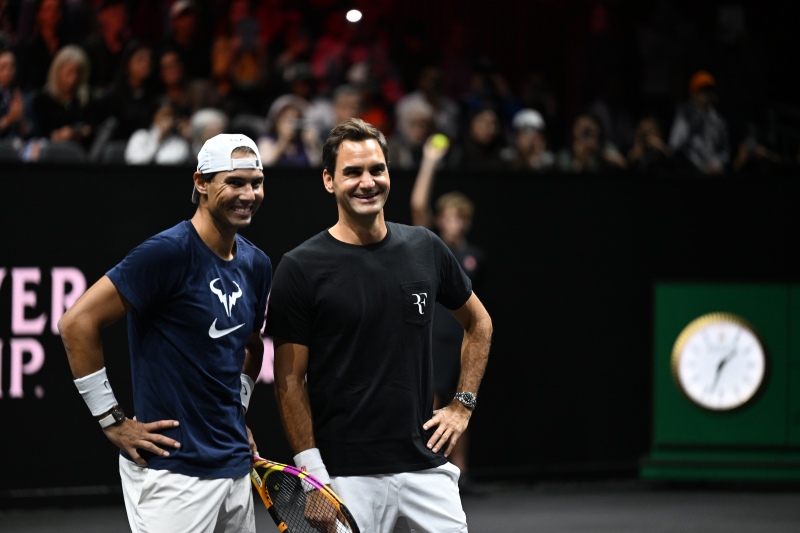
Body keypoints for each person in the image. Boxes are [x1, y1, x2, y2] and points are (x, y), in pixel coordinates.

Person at [269, 118, 493, 531]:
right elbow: (289, 381)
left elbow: (479, 323)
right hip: (344, 476)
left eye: (376, 169)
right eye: (352, 172)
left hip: (425, 466)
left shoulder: (425, 247)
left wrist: (462, 406)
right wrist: (314, 475)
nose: (367, 182)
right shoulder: (300, 268)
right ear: (328, 181)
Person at [58, 133, 272, 533]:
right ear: (201, 183)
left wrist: (237, 410)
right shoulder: (167, 252)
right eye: (235, 182)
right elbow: (76, 323)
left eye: (256, 183)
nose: (248, 194)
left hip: (235, 467)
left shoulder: (257, 264)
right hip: (172, 475)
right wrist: (113, 421)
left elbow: (251, 345)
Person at [410, 132, 489, 495]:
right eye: (449, 216)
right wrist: (430, 160)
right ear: (440, 219)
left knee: (462, 403)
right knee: (434, 403)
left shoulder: (474, 255)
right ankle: (432, 470)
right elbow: (417, 204)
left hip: (461, 340)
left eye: (461, 217)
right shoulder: (430, 245)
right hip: (430, 336)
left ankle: (463, 474)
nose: (454, 222)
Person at [668, 70, 730, 175]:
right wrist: (700, 167)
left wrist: (717, 163)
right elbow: (675, 147)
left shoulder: (718, 120)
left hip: (715, 174)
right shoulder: (684, 115)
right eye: (702, 90)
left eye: (709, 90)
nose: (706, 94)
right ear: (693, 93)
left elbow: (725, 151)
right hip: (692, 175)